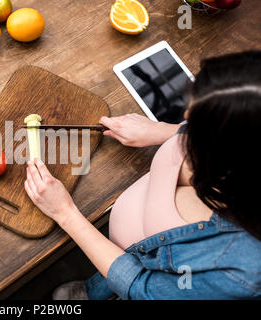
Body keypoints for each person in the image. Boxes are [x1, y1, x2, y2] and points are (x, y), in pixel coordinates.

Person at [24, 51, 261, 299]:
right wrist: (160, 130)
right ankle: (94, 288)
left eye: (194, 130)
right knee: (103, 281)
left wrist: (65, 213)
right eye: (189, 119)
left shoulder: (244, 272)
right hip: (127, 249)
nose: (185, 128)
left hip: (136, 273)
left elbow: (142, 288)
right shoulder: (241, 137)